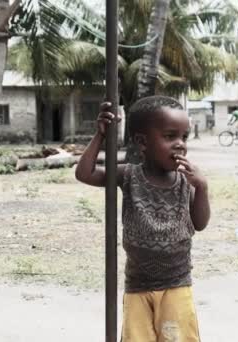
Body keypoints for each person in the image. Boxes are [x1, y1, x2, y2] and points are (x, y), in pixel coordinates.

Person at [75, 95, 210, 342]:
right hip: (137, 285)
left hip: (176, 284)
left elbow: (200, 223)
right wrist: (101, 136)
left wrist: (202, 188)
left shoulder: (185, 182)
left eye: (184, 137)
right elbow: (85, 173)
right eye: (170, 137)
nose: (180, 144)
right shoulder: (129, 176)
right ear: (141, 142)